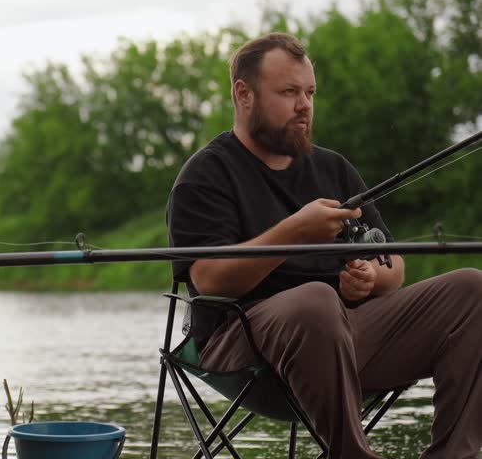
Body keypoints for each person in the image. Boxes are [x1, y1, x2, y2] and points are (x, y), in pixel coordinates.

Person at [166, 32, 482, 459]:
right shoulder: (206, 175)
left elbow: (394, 268)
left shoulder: (334, 168)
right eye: (289, 92)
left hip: (348, 336)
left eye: (310, 92)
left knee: (472, 289)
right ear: (244, 94)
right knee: (316, 300)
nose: (305, 105)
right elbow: (209, 282)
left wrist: (372, 278)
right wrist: (293, 232)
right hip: (242, 347)